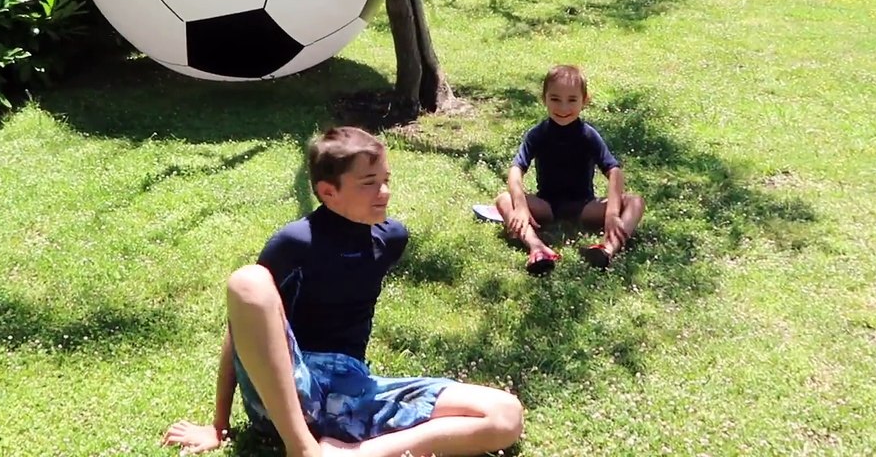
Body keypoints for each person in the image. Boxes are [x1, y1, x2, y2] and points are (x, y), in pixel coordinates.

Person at [162, 126, 524, 457]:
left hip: (353, 391)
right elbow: (240, 330)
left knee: (505, 413)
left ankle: (357, 454)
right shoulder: (296, 243)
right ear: (328, 193)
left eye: (386, 179)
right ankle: (301, 448)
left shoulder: (391, 238)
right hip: (288, 389)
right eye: (369, 182)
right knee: (248, 281)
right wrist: (218, 425)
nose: (384, 191)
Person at [488, 64, 645, 274]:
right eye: (555, 99)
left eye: (572, 100)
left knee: (635, 202)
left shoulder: (588, 135)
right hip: (547, 206)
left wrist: (612, 214)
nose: (563, 108)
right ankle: (537, 247)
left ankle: (607, 250)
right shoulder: (538, 134)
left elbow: (614, 171)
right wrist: (521, 206)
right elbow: (517, 169)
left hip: (585, 207)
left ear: (585, 101)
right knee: (503, 199)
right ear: (544, 99)